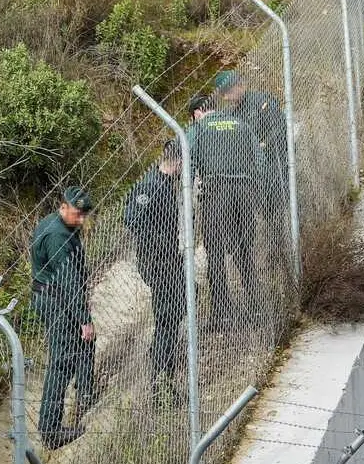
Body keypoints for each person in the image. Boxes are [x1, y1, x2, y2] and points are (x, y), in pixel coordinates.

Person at [187, 94, 267, 324]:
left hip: (216, 193)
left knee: (215, 254)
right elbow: (259, 159)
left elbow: (189, 163)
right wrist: (252, 185)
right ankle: (256, 307)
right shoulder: (241, 124)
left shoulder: (198, 129)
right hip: (244, 191)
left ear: (197, 113)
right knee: (244, 252)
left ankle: (222, 312)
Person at [30, 186, 96, 450]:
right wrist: (84, 318)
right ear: (64, 206)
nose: (81, 221)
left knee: (83, 346)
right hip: (56, 301)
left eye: (84, 215)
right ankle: (51, 429)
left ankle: (86, 392)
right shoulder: (57, 236)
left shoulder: (59, 224)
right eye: (77, 214)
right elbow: (68, 282)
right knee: (61, 362)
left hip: (58, 296)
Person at [123, 140, 186, 400]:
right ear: (178, 162)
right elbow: (131, 219)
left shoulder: (165, 185)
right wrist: (157, 239)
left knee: (175, 313)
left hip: (170, 259)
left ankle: (165, 374)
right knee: (166, 317)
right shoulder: (151, 185)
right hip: (158, 262)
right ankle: (160, 382)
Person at [216, 70, 289, 258]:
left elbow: (279, 130)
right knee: (263, 217)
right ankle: (272, 254)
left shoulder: (261, 101)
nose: (226, 96)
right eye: (223, 93)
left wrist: (260, 147)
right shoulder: (228, 114)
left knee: (278, 214)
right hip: (250, 177)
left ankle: (283, 253)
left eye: (228, 91)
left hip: (274, 167)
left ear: (239, 85)